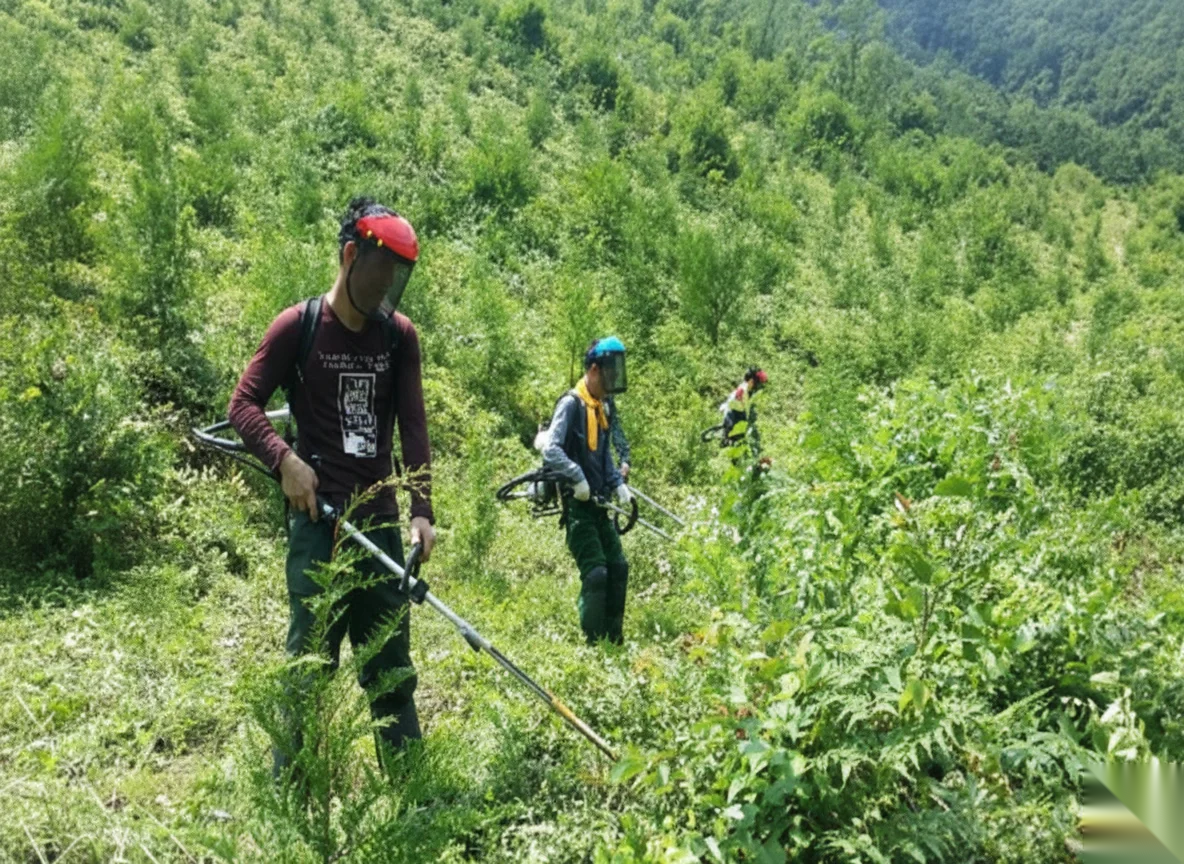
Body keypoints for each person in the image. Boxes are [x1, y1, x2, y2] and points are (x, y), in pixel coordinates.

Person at [228, 197, 436, 775]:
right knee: (310, 667)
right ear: (350, 256)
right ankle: (289, 799)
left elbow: (413, 427)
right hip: (319, 523)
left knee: (391, 665)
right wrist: (284, 461)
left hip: (380, 525)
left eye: (398, 277)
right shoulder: (300, 327)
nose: (388, 290)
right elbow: (243, 405)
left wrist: (422, 509)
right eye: (380, 275)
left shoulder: (399, 337)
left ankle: (410, 794)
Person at [542, 337, 632, 645]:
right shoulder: (572, 404)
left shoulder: (601, 407)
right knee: (596, 574)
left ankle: (613, 638)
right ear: (594, 370)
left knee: (618, 567)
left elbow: (605, 455)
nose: (610, 384)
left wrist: (618, 484)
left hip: (600, 505)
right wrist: (577, 478)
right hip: (578, 508)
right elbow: (551, 450)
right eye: (607, 375)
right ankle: (594, 643)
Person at [720, 367, 768, 447]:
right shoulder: (743, 389)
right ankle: (724, 440)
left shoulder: (750, 390)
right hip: (732, 409)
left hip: (741, 410)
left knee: (741, 431)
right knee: (730, 428)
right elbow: (736, 398)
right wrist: (740, 399)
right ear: (751, 381)